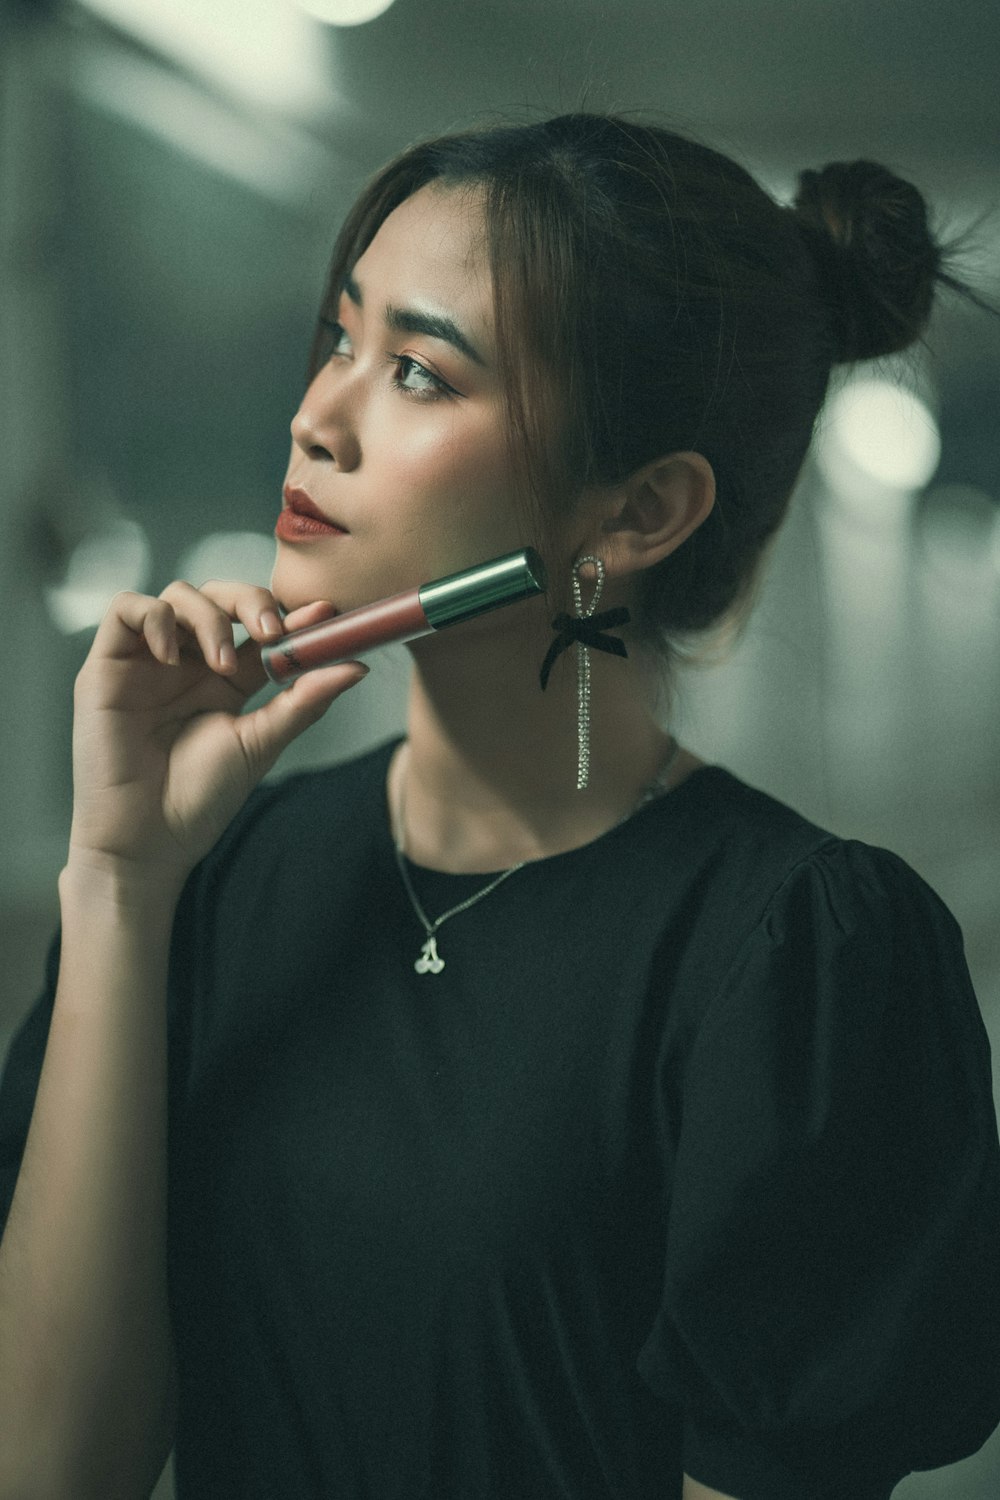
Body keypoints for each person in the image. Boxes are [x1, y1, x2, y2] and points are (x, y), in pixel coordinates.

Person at [1, 112, 999, 1500]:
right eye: (339, 338)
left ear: (639, 512)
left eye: (417, 371)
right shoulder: (211, 882)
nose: (317, 418)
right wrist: (117, 879)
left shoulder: (798, 959)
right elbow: (50, 1468)